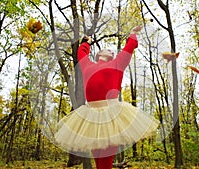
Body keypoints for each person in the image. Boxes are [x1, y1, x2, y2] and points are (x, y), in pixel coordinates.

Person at [54, 25, 158, 169]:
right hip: (91, 114)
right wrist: (86, 42)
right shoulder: (87, 66)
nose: (111, 51)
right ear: (99, 54)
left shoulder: (117, 64)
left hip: (111, 114)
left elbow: (128, 48)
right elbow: (81, 54)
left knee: (106, 161)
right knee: (98, 160)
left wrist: (133, 34)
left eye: (112, 51)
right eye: (107, 49)